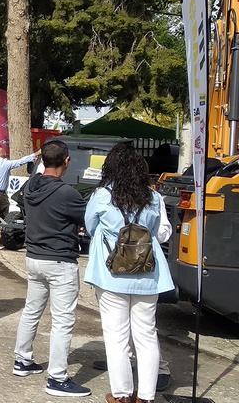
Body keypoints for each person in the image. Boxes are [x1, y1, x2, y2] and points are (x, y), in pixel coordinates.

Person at [84, 144, 174, 403]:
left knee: (116, 337)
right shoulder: (153, 197)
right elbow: (159, 232)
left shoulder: (102, 195)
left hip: (111, 276)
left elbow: (91, 226)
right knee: (146, 335)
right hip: (148, 275)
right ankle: (146, 397)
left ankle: (122, 395)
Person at [12, 140, 91, 397]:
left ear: (43, 160)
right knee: (62, 321)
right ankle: (57, 378)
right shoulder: (67, 193)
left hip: (34, 258)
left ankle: (22, 360)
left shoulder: (31, 185)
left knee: (31, 311)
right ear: (67, 160)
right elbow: (89, 219)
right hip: (59, 260)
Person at [0, 145, 39, 219]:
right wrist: (35, 154)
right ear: (4, 154)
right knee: (4, 212)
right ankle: (3, 228)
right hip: (0, 193)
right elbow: (21, 161)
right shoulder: (5, 164)